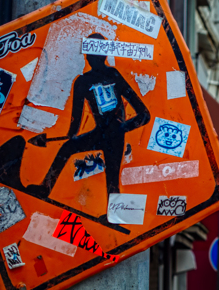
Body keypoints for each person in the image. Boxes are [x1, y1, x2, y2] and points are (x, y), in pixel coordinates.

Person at [27, 33, 150, 201]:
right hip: (106, 134)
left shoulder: (90, 80)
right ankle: (45, 188)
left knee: (111, 176)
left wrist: (121, 128)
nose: (91, 58)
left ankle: (46, 189)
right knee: (108, 175)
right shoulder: (92, 79)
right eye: (90, 54)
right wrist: (119, 129)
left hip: (111, 135)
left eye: (93, 54)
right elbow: (76, 119)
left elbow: (144, 114)